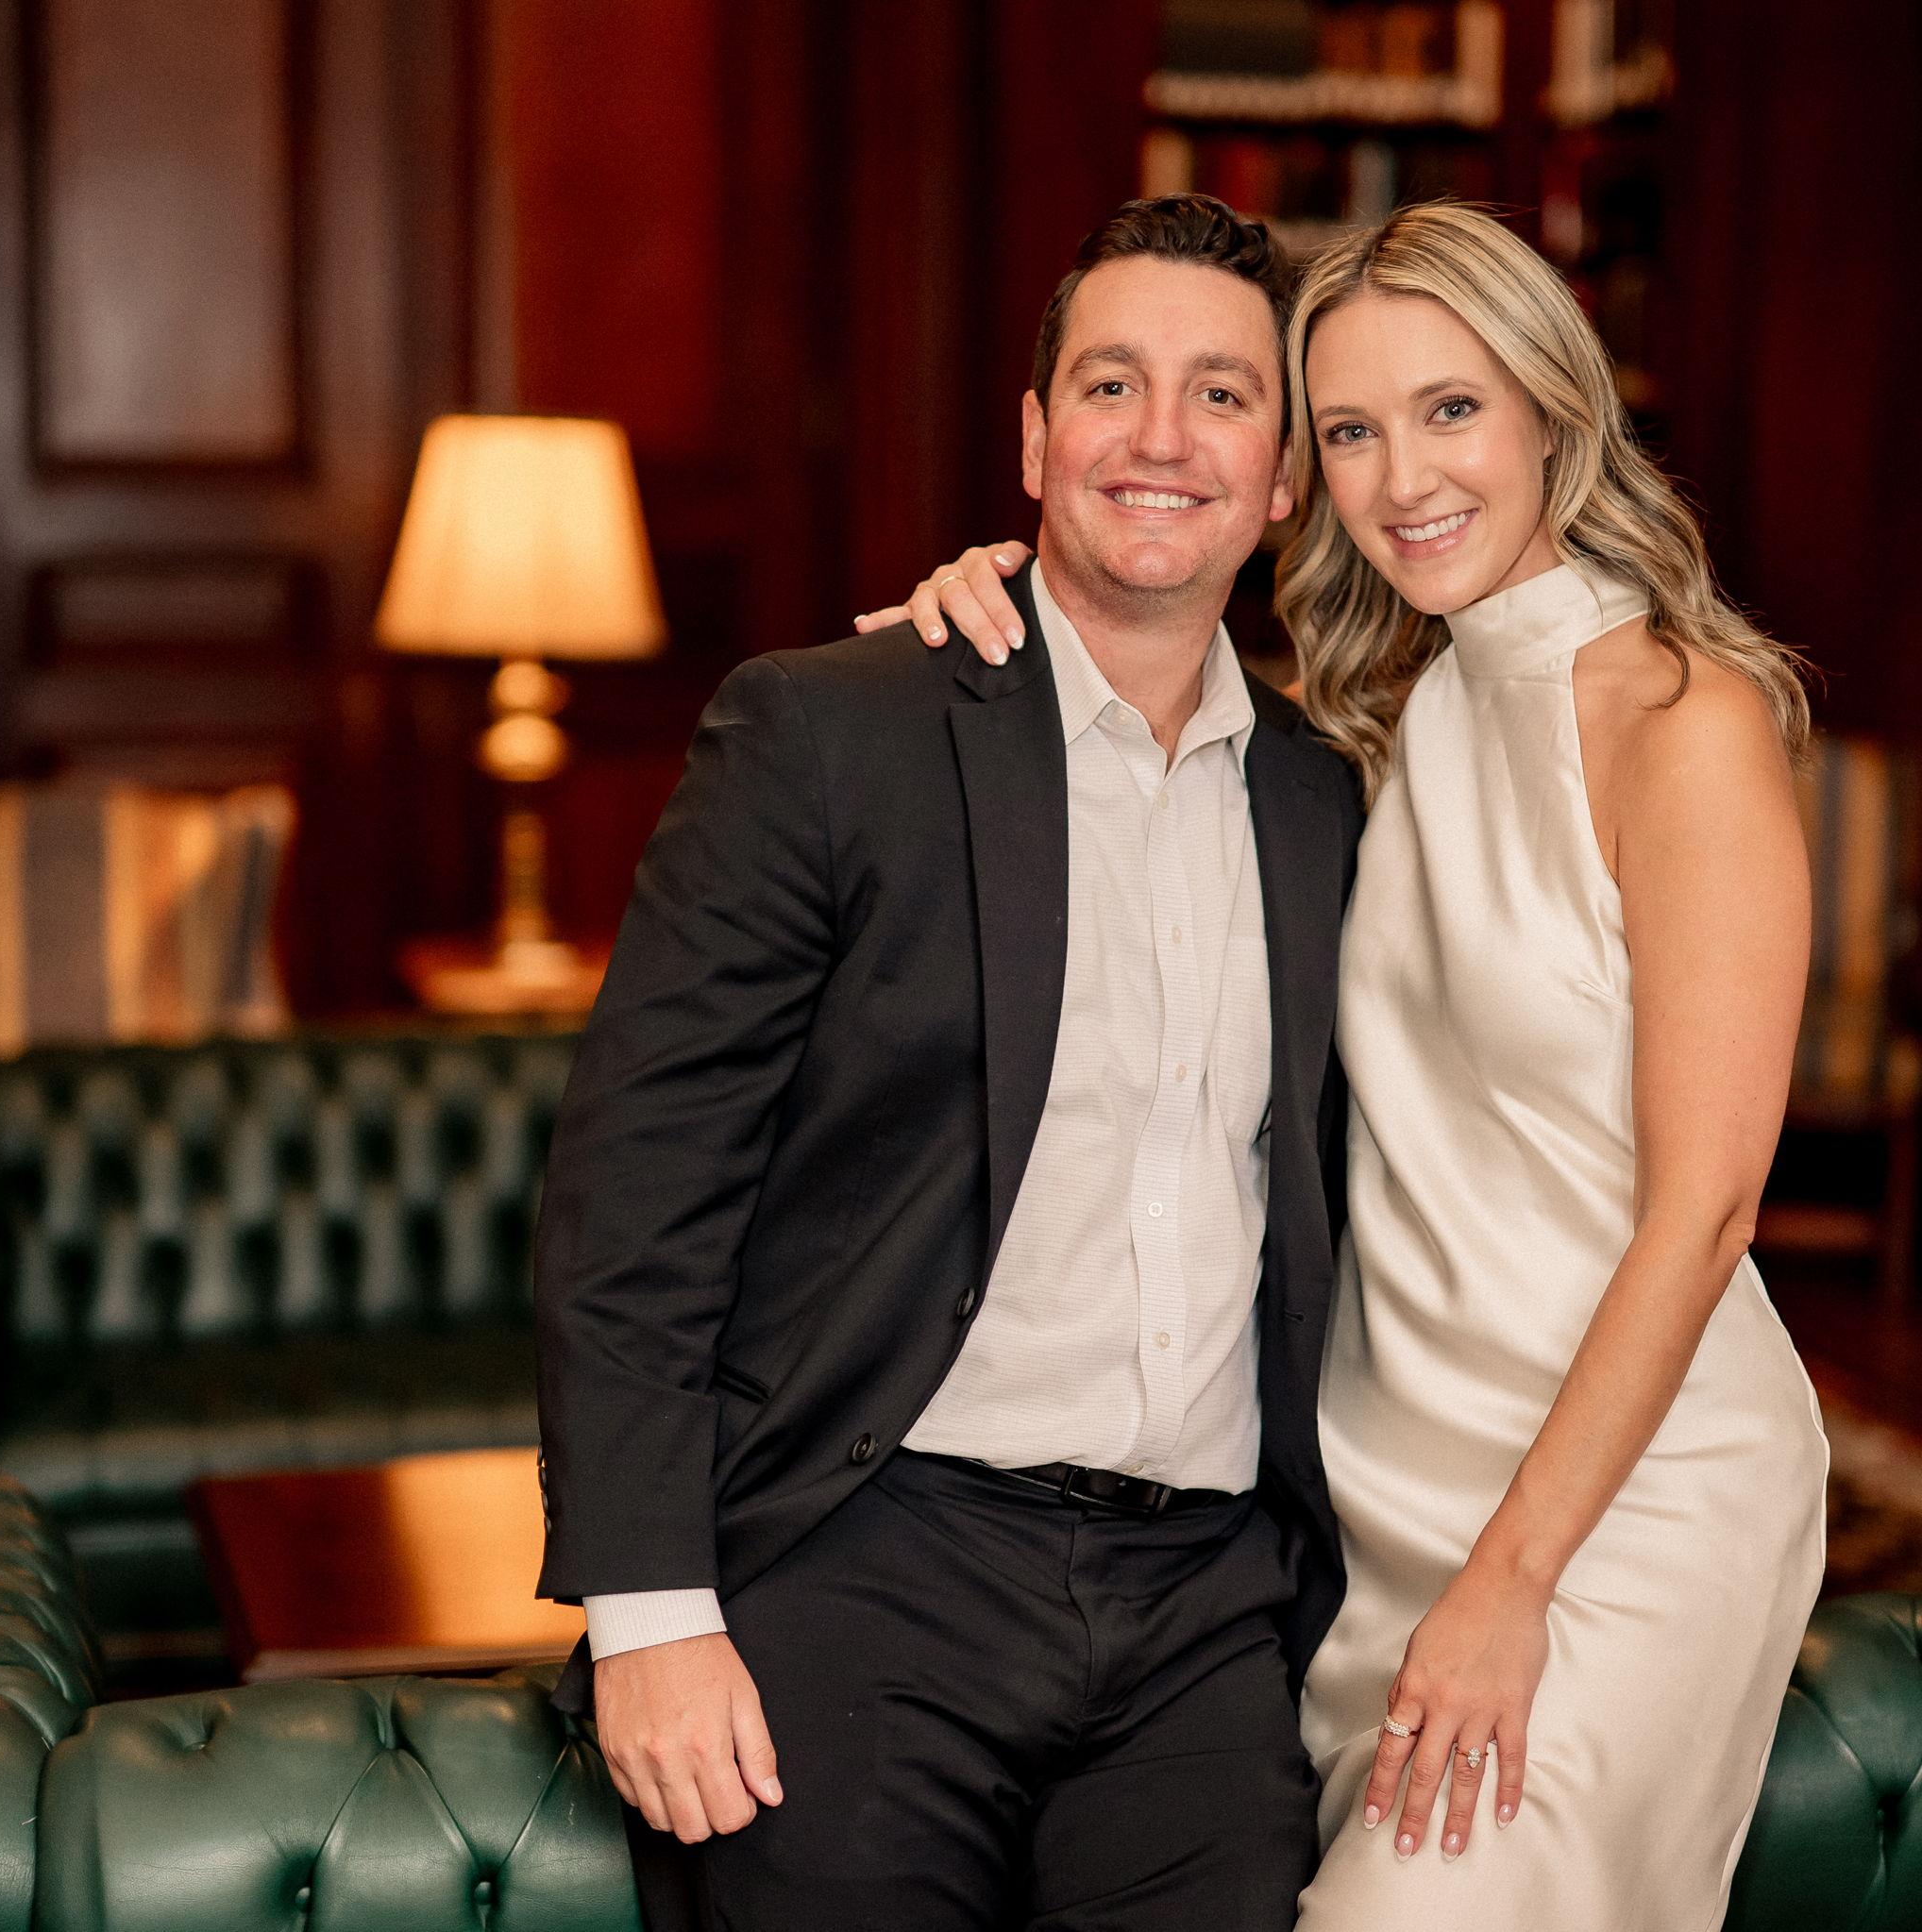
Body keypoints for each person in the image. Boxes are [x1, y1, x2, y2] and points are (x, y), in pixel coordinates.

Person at [875, 199, 1828, 1927]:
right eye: (1351, 430)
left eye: (1453, 409)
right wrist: (990, 600)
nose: (1405, 479)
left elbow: (1707, 1213)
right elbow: (1122, 682)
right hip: (1383, 1499)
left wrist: (1513, 1580)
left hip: (1615, 1505)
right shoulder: (1370, 726)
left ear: (1553, 406)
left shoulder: (1685, 722)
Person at [532, 193, 1364, 1931]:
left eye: (1222, 395)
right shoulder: (832, 733)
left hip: (1205, 1611)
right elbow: (637, 1195)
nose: (1161, 436)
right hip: (868, 1564)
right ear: (1036, 438)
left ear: (1285, 476)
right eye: (1112, 384)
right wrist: (649, 1612)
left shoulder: (1330, 801)